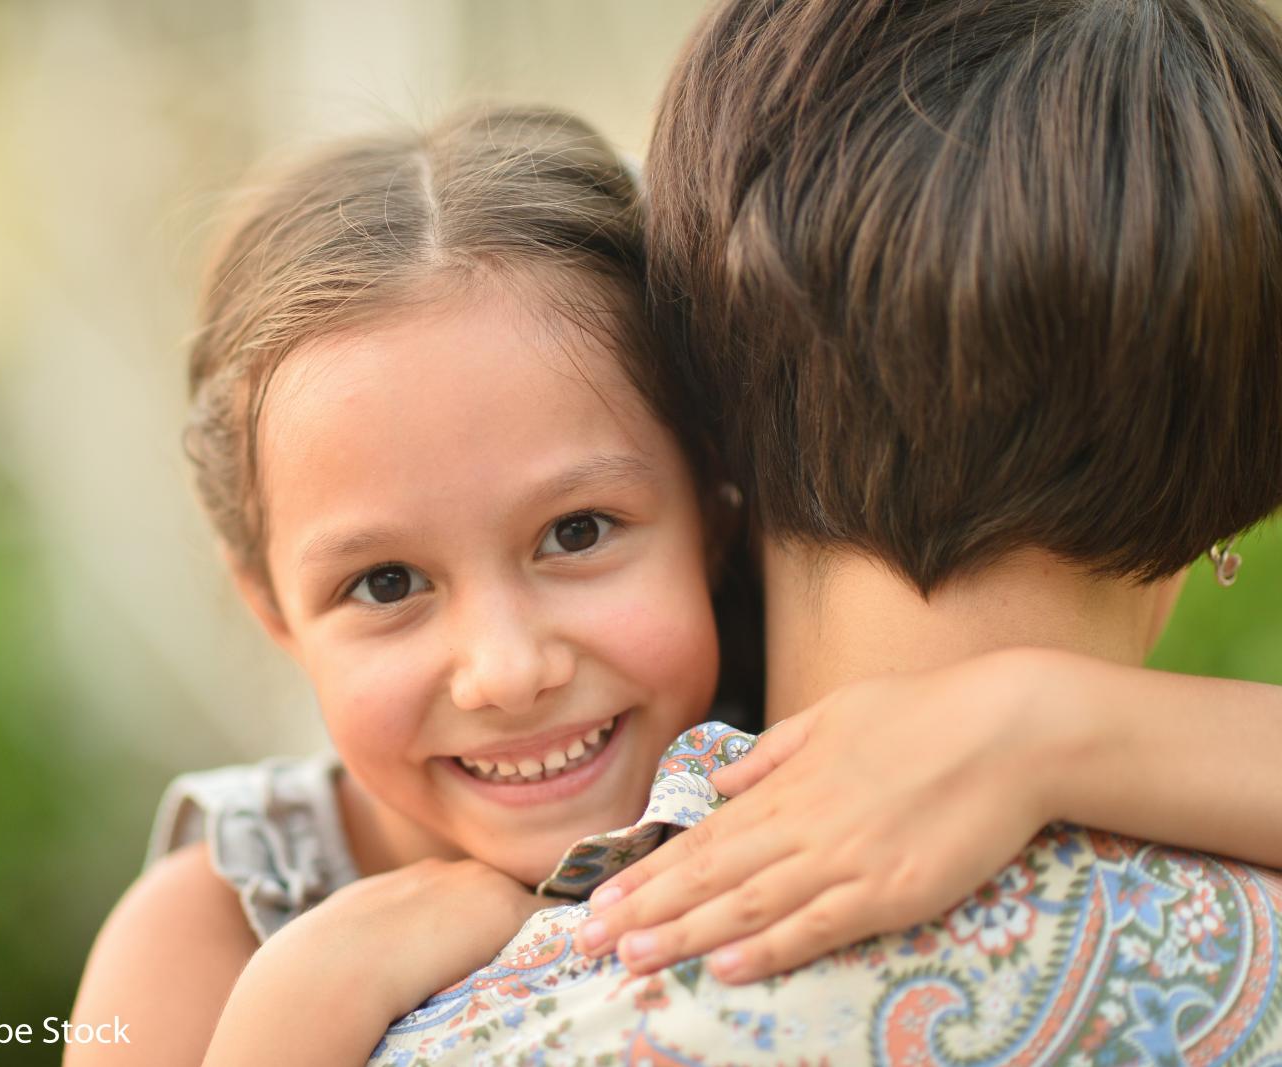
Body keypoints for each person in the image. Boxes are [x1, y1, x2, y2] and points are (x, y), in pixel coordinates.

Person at [67, 75, 1281, 1067]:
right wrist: (296, 1011)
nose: (506, 667)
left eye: (578, 531)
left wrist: (1045, 725)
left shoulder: (810, 738)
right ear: (273, 610)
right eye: (386, 584)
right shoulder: (209, 923)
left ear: (716, 503)